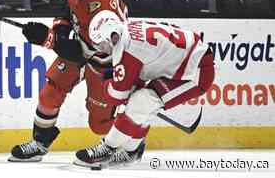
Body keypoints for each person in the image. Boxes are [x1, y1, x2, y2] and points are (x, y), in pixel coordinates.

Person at [8, 0, 129, 162]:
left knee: (99, 124)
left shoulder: (103, 10)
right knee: (51, 90)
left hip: (104, 61)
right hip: (84, 45)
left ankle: (130, 142)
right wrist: (60, 30)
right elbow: (69, 11)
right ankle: (40, 142)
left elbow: (81, 51)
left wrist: (48, 38)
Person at [74, 10, 215, 168]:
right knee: (142, 100)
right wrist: (122, 79)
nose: (102, 49)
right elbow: (141, 69)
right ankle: (131, 151)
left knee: (142, 102)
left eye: (102, 44)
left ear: (111, 37)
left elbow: (116, 97)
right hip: (190, 59)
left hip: (196, 72)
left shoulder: (125, 50)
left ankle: (107, 148)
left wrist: (108, 83)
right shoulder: (127, 30)